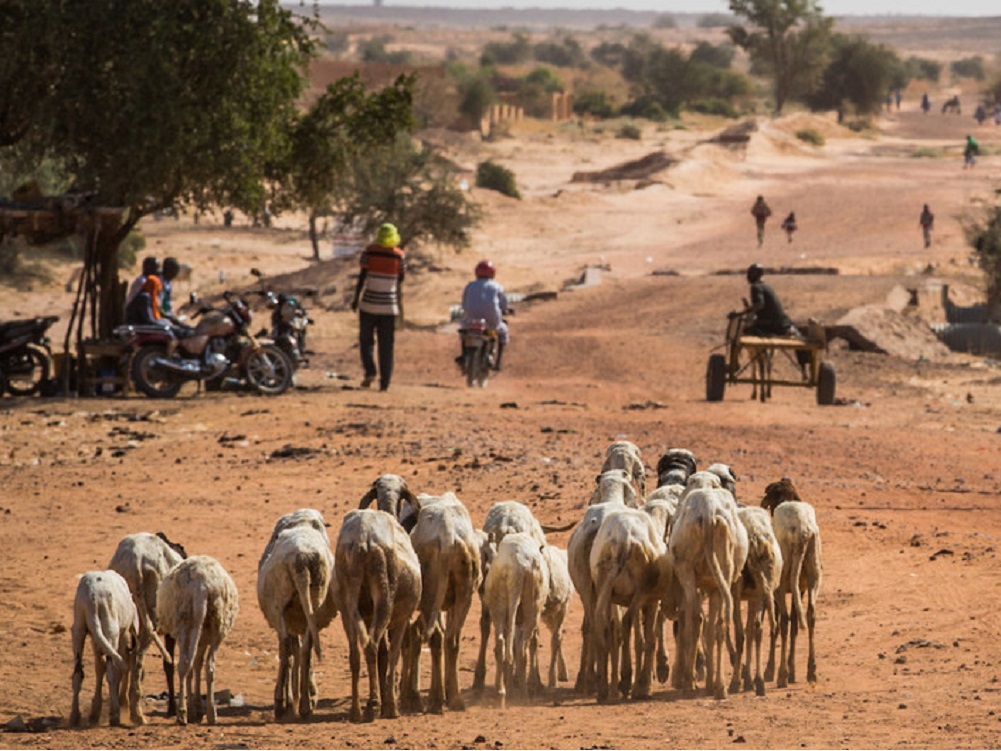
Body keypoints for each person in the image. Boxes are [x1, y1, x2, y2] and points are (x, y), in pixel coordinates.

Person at [351, 222, 405, 392]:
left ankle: (370, 371)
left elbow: (362, 276)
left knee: (366, 340)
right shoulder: (399, 256)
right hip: (389, 307)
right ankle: (385, 382)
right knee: (386, 345)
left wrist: (355, 298)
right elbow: (401, 278)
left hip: (368, 304)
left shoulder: (370, 251)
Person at [459, 259, 511, 371]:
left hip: (471, 319)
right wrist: (505, 310)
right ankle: (498, 362)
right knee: (503, 331)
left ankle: (464, 355)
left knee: (464, 331)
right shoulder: (497, 286)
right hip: (491, 320)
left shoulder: (470, 285)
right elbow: (503, 304)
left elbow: (464, 302)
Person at [741, 263, 797, 338]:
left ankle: (760, 350)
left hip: (772, 325)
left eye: (751, 273)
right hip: (782, 322)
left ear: (755, 274)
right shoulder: (767, 286)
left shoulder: (756, 287)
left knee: (747, 331)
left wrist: (747, 310)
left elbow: (760, 304)